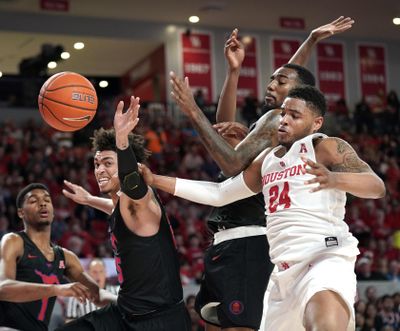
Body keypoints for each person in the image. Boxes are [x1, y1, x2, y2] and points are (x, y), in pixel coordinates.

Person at [140, 85, 385, 331]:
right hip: (283, 273)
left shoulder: (325, 147)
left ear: (316, 123)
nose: (285, 120)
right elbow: (220, 193)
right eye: (283, 113)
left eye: (295, 116)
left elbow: (376, 186)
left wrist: (334, 179)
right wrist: (156, 180)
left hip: (323, 257)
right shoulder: (267, 159)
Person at [58, 96, 191, 330]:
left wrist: (122, 140)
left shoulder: (142, 198)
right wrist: (89, 200)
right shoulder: (124, 208)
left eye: (108, 163)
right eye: (97, 163)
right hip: (124, 313)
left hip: (159, 320)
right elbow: (114, 207)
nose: (99, 169)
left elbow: (131, 185)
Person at [170, 16, 354, 177]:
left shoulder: (277, 119)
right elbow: (223, 125)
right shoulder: (278, 119)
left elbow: (232, 165)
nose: (271, 86)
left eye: (280, 82)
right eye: (272, 80)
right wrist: (234, 71)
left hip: (247, 215)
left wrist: (194, 111)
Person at [0, 183, 113, 331]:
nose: (42, 203)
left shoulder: (65, 256)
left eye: (47, 200)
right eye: (34, 201)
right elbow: (3, 289)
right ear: (21, 213)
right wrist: (57, 289)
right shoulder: (14, 241)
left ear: (53, 212)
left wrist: (128, 303)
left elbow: (97, 295)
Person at [65, 258, 119, 322]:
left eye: (101, 271)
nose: (98, 275)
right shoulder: (77, 293)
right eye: (94, 272)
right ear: (88, 274)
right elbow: (70, 321)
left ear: (105, 273)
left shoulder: (117, 292)